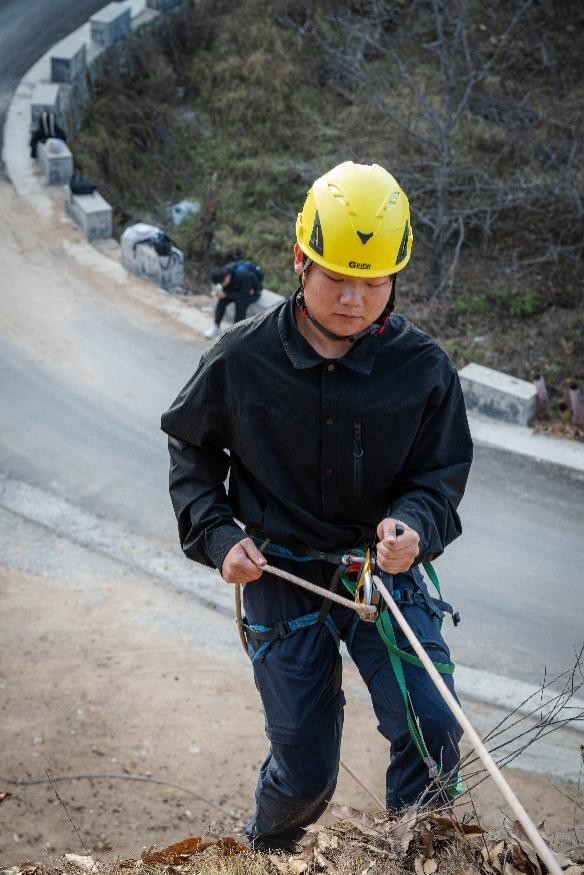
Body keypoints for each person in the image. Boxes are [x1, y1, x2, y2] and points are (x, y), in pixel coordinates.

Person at [161, 162, 473, 851]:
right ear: (300, 260)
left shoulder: (423, 369)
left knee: (434, 730)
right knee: (304, 771)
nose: (355, 300)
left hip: (379, 571)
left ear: (396, 278)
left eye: (374, 282)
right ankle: (267, 852)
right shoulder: (240, 359)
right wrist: (217, 536)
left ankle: (410, 855)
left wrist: (415, 527)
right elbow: (192, 452)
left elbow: (440, 476)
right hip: (280, 570)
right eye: (336, 278)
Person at [204, 261, 261, 338]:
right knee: (222, 300)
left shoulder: (243, 274)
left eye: (222, 283)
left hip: (253, 292)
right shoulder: (225, 272)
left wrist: (226, 295)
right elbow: (227, 290)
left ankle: (237, 330)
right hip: (238, 290)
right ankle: (216, 326)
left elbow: (244, 295)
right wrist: (222, 294)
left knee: (240, 303)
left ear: (227, 277)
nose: (221, 285)